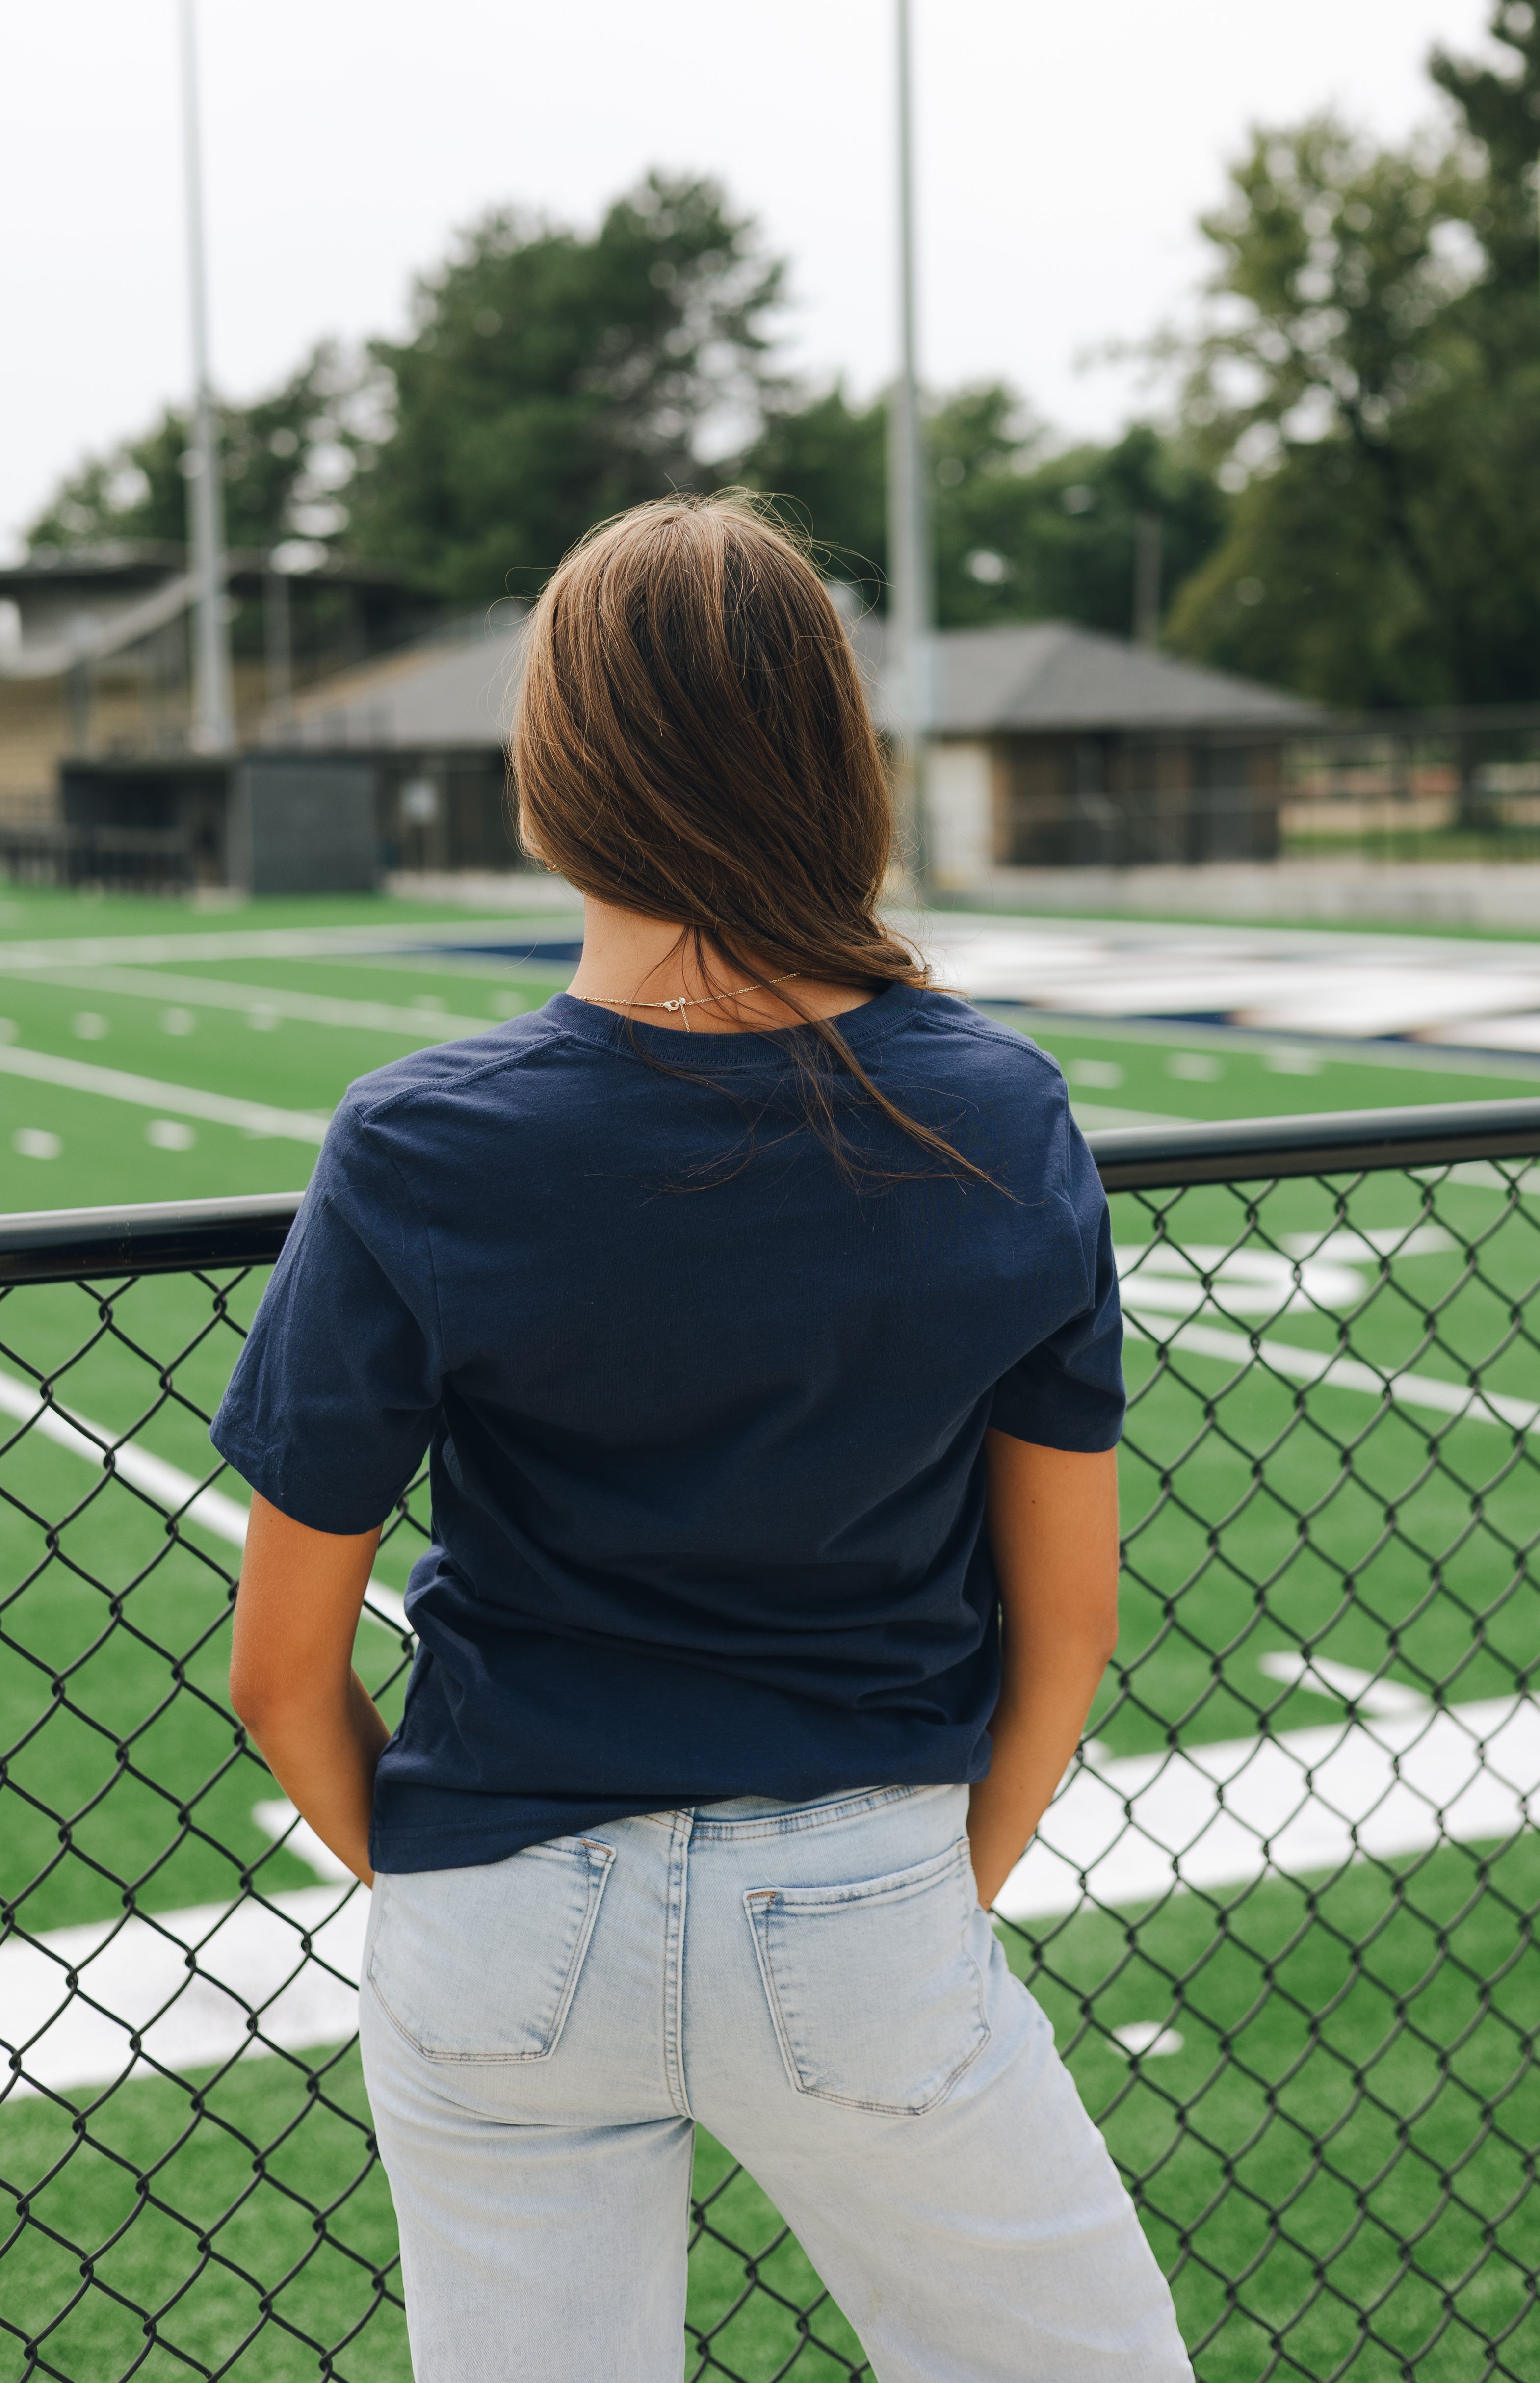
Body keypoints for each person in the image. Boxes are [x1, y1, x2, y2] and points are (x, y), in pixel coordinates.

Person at [217, 493, 1194, 2383]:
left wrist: (464, 1900)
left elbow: (282, 1669)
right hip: (863, 1893)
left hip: (499, 1908)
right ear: (837, 756)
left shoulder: (422, 1138)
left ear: (550, 774)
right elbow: (1068, 1622)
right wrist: (916, 1897)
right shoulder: (997, 1108)